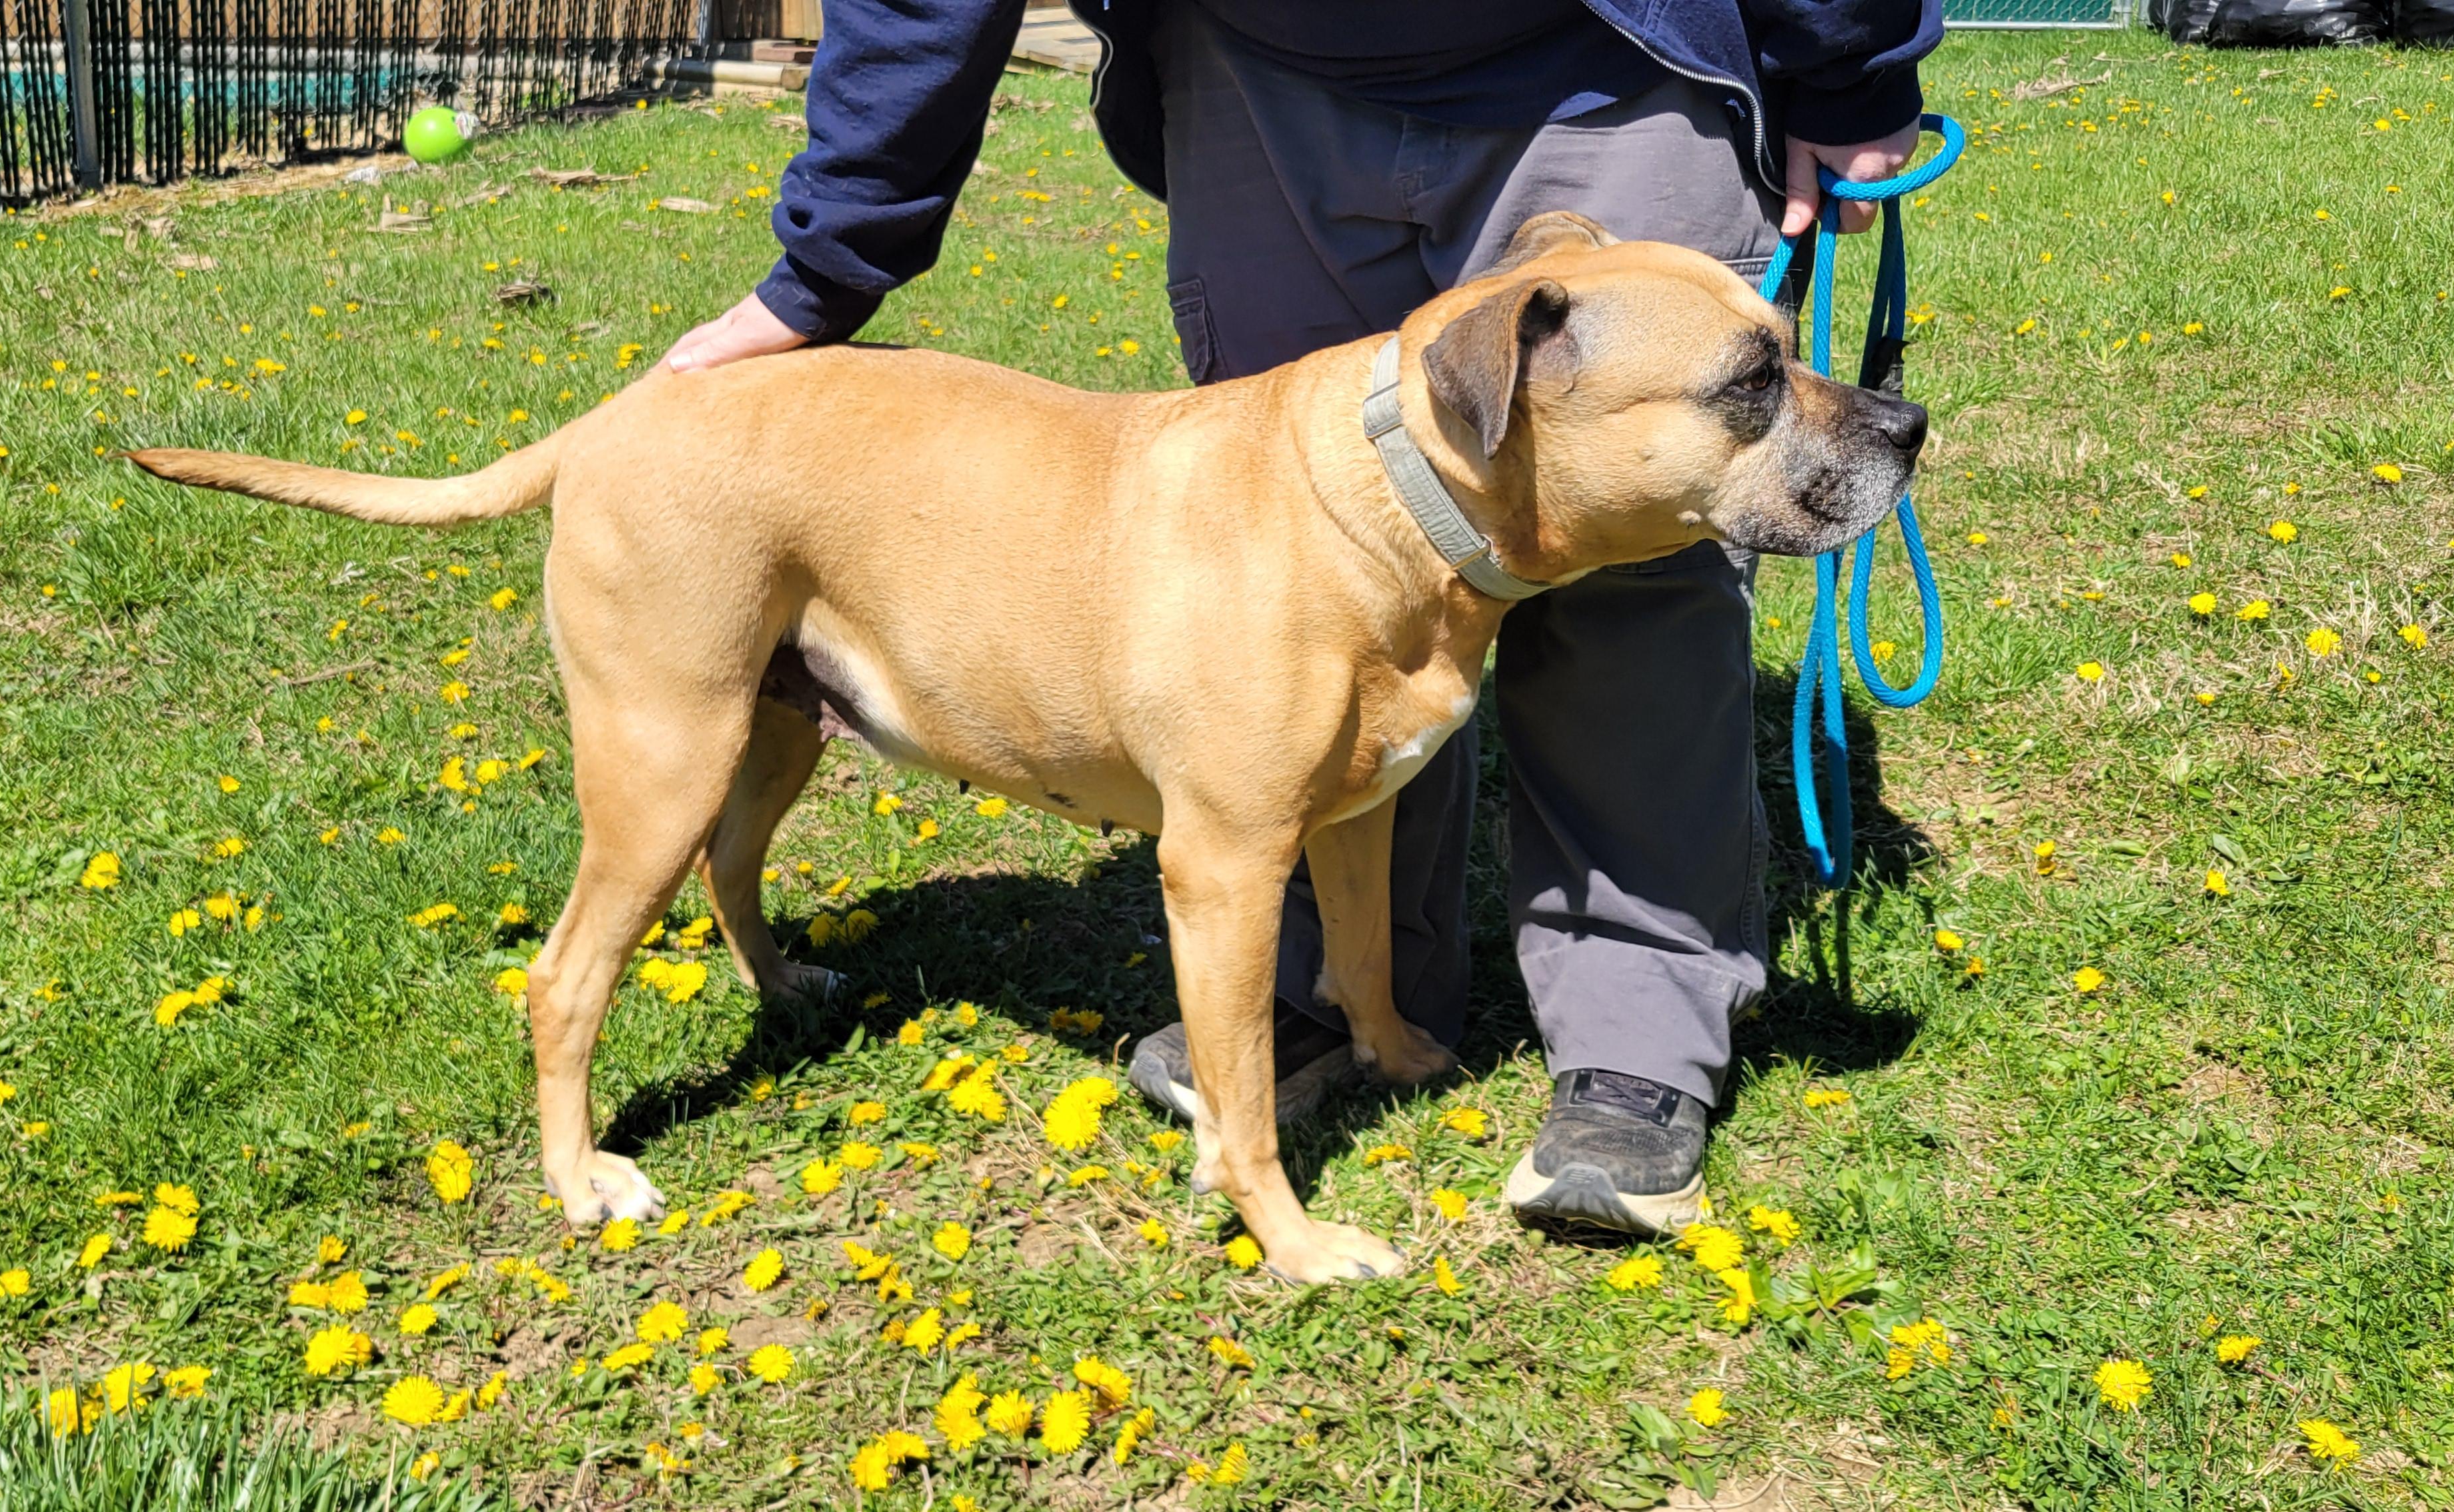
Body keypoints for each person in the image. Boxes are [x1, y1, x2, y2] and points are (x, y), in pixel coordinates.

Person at [666, 0, 1941, 1235]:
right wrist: (833, 254)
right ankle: (1339, 994)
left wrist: (1850, 54)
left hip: (1608, 52)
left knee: (1644, 575)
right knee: (1284, 566)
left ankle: (1635, 1037)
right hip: (1250, 65)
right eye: (1768, 381)